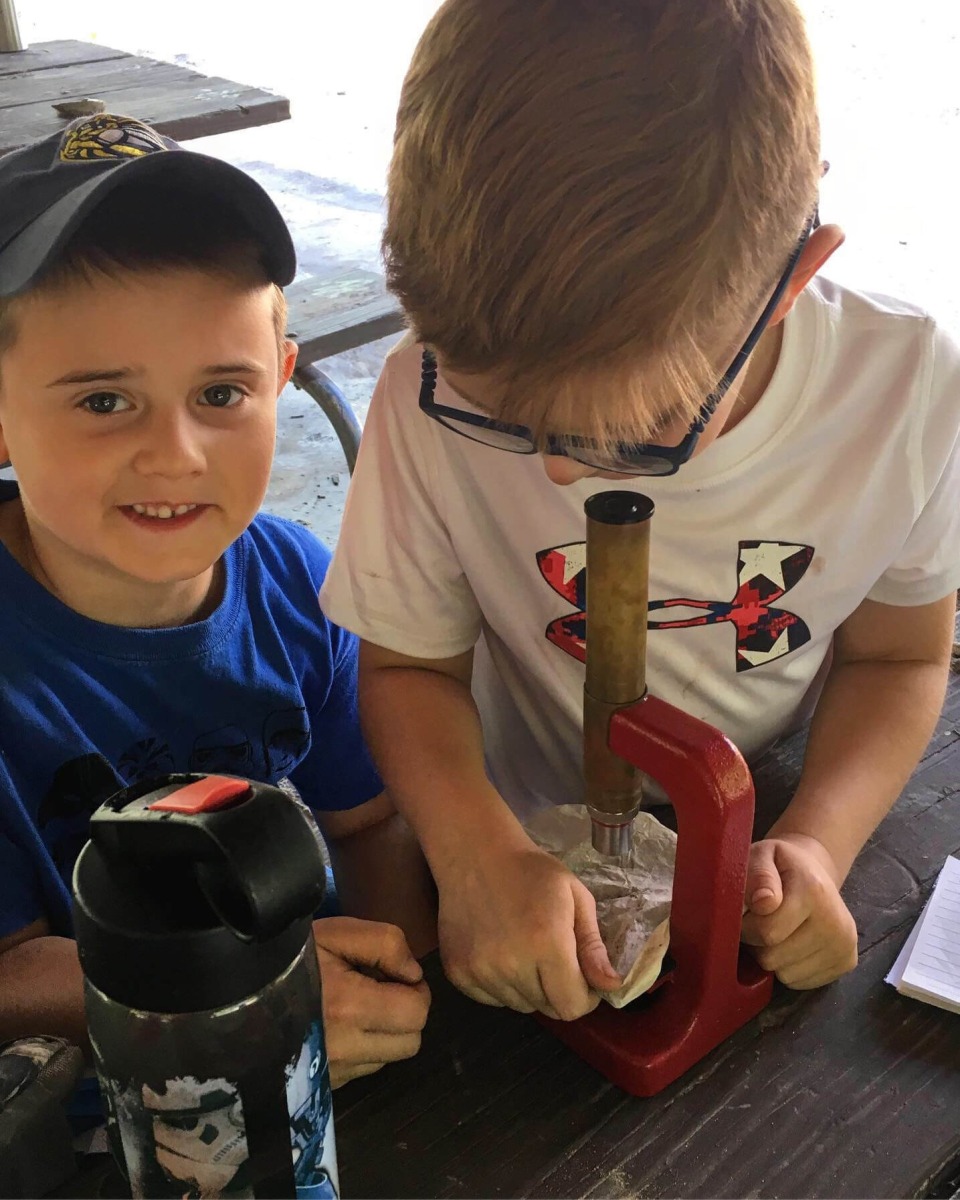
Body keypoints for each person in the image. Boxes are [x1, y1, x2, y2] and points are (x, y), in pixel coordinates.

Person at [320, 0, 960, 1022]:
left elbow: (900, 658)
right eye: (499, 416)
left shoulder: (906, 389)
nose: (560, 477)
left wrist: (818, 842)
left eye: (643, 430)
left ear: (794, 281)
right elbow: (407, 670)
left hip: (764, 809)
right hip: (504, 826)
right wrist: (477, 854)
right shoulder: (422, 390)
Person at [0, 114, 431, 1087]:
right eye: (103, 401)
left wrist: (410, 984)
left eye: (222, 394)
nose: (176, 455)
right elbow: (10, 973)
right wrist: (247, 1001)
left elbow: (368, 825)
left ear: (280, 379)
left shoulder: (298, 583)